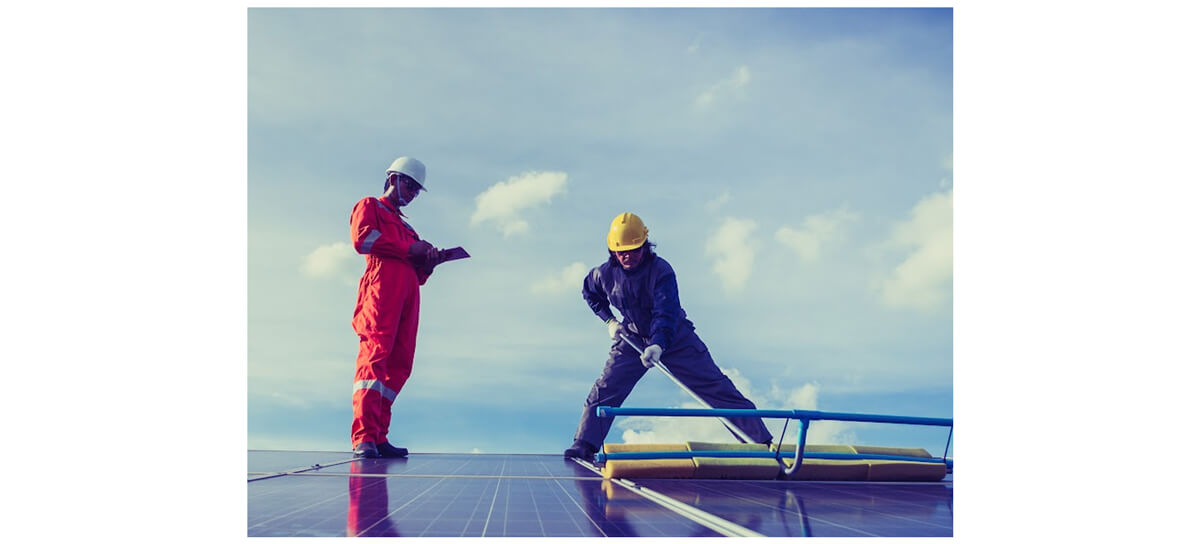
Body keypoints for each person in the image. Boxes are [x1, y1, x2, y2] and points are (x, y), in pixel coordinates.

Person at [564, 212, 774, 459]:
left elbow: (666, 313)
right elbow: (590, 293)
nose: (627, 256)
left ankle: (760, 443)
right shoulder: (603, 274)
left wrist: (658, 344)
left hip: (675, 337)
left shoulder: (661, 271)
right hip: (631, 337)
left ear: (645, 245)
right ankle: (584, 443)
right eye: (622, 252)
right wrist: (609, 320)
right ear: (613, 251)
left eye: (634, 250)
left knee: (715, 386)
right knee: (607, 388)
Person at [348, 156, 447, 458]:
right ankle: (363, 436)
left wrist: (429, 262)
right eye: (411, 185)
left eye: (417, 189)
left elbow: (417, 276)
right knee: (375, 357)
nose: (413, 193)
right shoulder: (370, 207)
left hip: (408, 296)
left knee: (400, 365)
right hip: (381, 292)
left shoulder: (409, 229)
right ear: (393, 179)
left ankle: (379, 436)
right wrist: (408, 249)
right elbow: (362, 240)